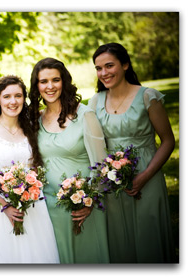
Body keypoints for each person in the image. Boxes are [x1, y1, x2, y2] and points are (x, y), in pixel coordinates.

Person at [88, 42, 175, 263]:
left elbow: (167, 141)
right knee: (119, 241)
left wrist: (144, 176)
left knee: (149, 238)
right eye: (99, 68)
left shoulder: (147, 97)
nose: (104, 73)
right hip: (112, 181)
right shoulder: (95, 102)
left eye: (109, 66)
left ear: (125, 64)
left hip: (148, 173)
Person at [0, 75, 60, 264]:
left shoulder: (30, 130)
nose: (13, 101)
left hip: (32, 210)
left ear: (24, 99)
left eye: (18, 96)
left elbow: (34, 170)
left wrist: (26, 196)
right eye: (7, 97)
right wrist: (5, 206)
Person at [28, 58, 109, 264]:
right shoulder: (36, 119)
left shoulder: (85, 115)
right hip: (48, 206)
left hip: (82, 205)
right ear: (37, 86)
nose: (50, 86)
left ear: (64, 81)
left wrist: (89, 201)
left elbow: (101, 164)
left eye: (55, 80)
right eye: (43, 81)